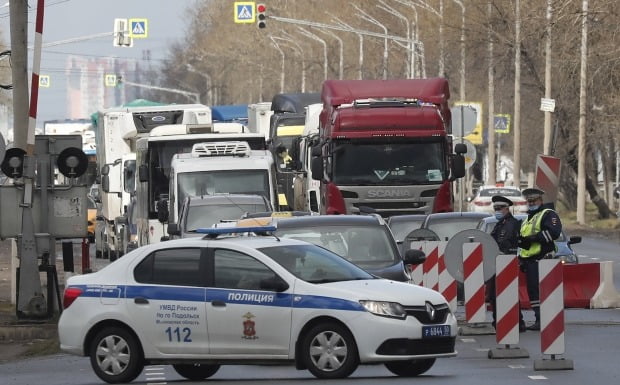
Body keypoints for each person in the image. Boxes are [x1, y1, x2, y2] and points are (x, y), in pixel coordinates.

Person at [517, 188, 563, 331]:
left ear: (540, 201)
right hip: (530, 261)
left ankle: (545, 319)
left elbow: (554, 233)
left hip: (542, 259)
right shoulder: (528, 219)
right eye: (529, 201)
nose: (531, 203)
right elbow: (525, 243)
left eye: (534, 201)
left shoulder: (548, 214)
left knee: (541, 291)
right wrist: (522, 256)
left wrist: (534, 239)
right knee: (533, 291)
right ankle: (539, 318)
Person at [488, 195, 525, 332]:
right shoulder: (500, 224)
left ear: (507, 208)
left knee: (503, 294)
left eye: (499, 208)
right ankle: (508, 321)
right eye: (495, 208)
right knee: (501, 294)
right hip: (500, 263)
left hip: (506, 262)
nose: (497, 211)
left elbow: (504, 244)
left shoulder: (510, 224)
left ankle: (510, 322)